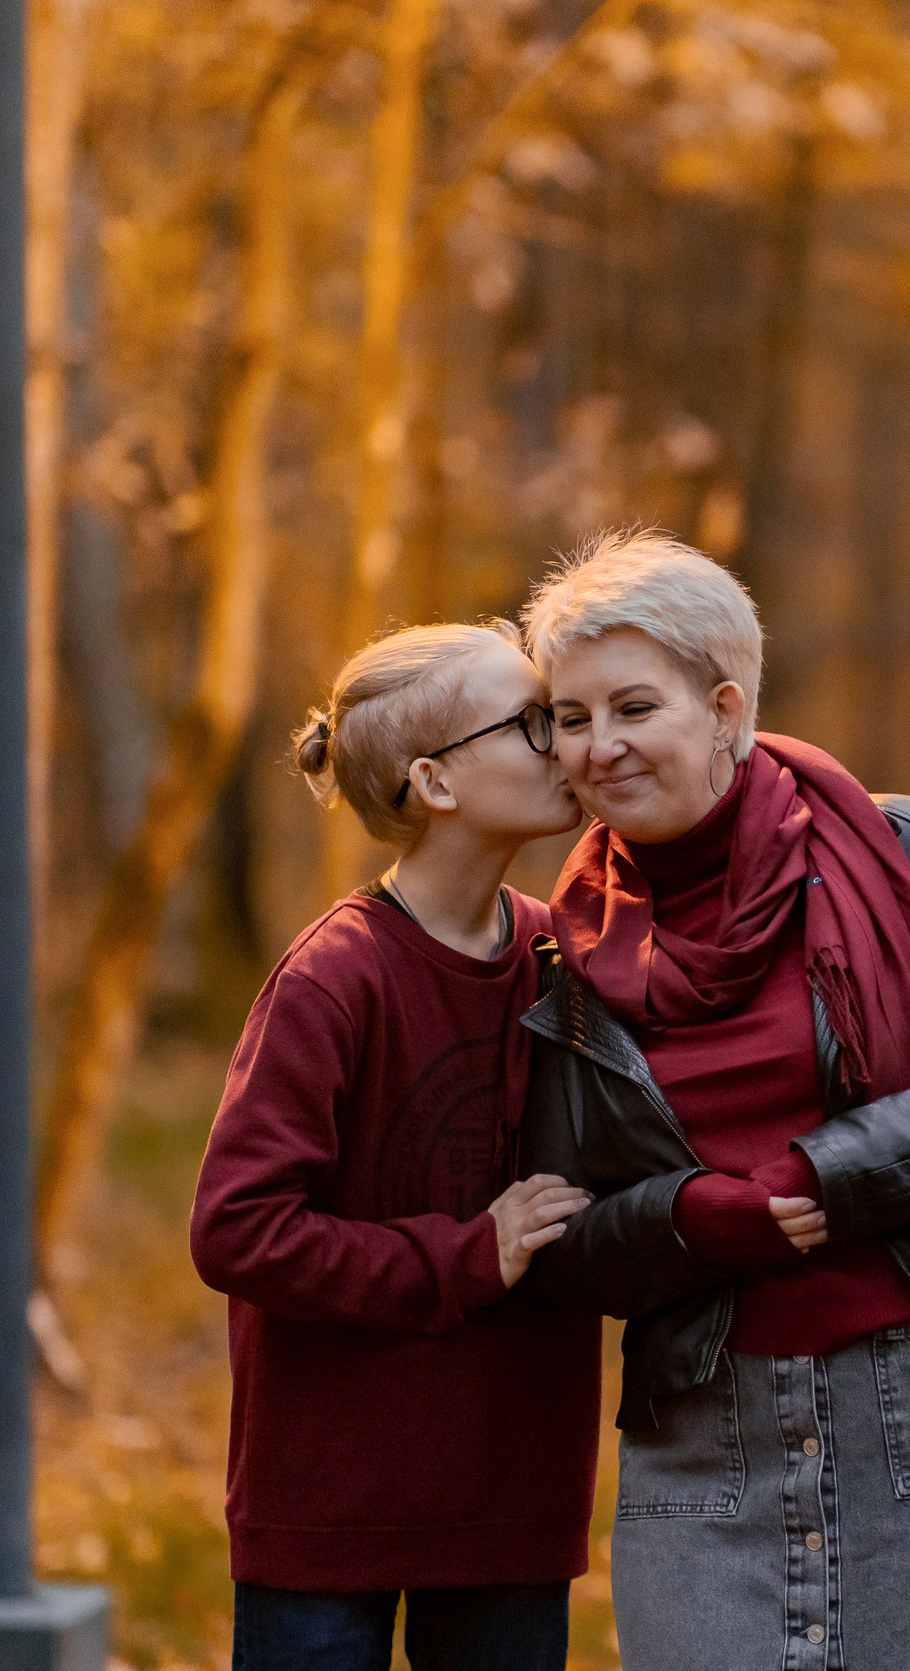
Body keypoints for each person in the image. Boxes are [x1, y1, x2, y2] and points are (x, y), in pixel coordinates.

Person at [510, 530, 910, 1671]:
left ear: (725, 707)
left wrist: (831, 1173)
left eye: (634, 708)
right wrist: (686, 1221)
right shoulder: (561, 955)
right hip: (704, 1445)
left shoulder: (907, 850)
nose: (600, 746)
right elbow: (559, 1235)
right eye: (571, 717)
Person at [189, 622, 600, 1671]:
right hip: (330, 1511)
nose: (569, 741)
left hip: (508, 1498)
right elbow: (238, 1231)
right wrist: (466, 1256)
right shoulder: (335, 979)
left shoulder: (567, 955)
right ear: (434, 782)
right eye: (533, 721)